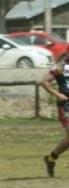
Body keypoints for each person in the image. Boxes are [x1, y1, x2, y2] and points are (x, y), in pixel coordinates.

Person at [39, 48, 69, 177]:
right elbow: (44, 82)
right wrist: (57, 95)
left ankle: (51, 158)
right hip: (66, 104)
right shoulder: (60, 66)